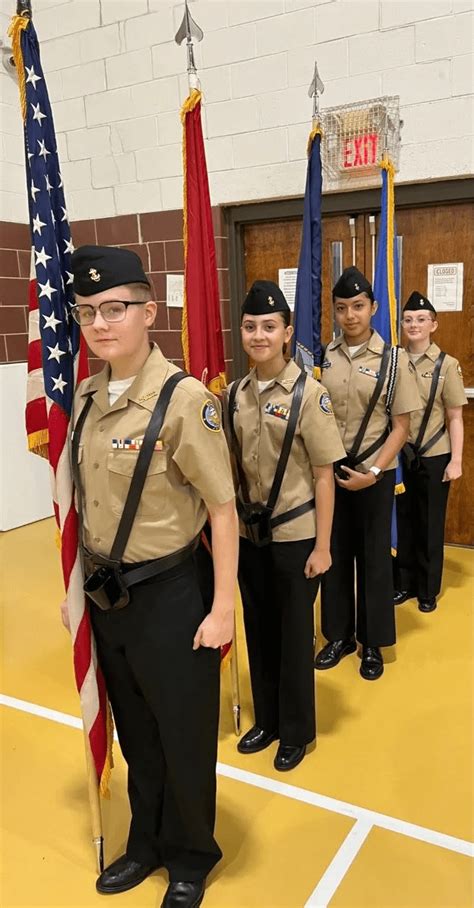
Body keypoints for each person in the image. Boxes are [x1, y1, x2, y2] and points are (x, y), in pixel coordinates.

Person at [64, 245, 238, 908]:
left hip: (172, 593)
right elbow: (79, 505)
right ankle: (147, 843)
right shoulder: (84, 397)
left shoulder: (184, 398)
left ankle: (193, 853)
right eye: (87, 312)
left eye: (115, 308)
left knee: (183, 730)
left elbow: (222, 511)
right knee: (136, 729)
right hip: (108, 597)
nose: (101, 324)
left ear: (148, 311)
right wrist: (72, 590)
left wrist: (223, 608)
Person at [226, 280, 345, 771]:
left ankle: (295, 731)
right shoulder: (234, 394)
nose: (258, 336)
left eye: (268, 327)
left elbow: (324, 476)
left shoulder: (309, 394)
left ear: (287, 332)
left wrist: (323, 546)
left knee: (295, 635)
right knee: (259, 628)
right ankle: (268, 719)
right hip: (251, 537)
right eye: (251, 327)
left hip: (296, 538)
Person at [314, 267, 421, 681]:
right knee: (335, 555)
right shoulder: (327, 355)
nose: (350, 316)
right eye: (341, 309)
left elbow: (402, 428)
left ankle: (372, 642)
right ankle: (338, 636)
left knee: (374, 560)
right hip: (334, 474)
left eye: (358, 307)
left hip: (374, 475)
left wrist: (374, 471)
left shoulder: (393, 360)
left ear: (373, 308)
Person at [393, 291, 467, 612]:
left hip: (435, 455)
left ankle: (427, 589)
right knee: (404, 520)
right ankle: (404, 583)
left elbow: (455, 417)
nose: (414, 324)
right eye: (408, 319)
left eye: (421, 319)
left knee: (430, 524)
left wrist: (457, 460)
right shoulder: (393, 360)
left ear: (433, 324)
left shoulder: (447, 365)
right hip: (399, 454)